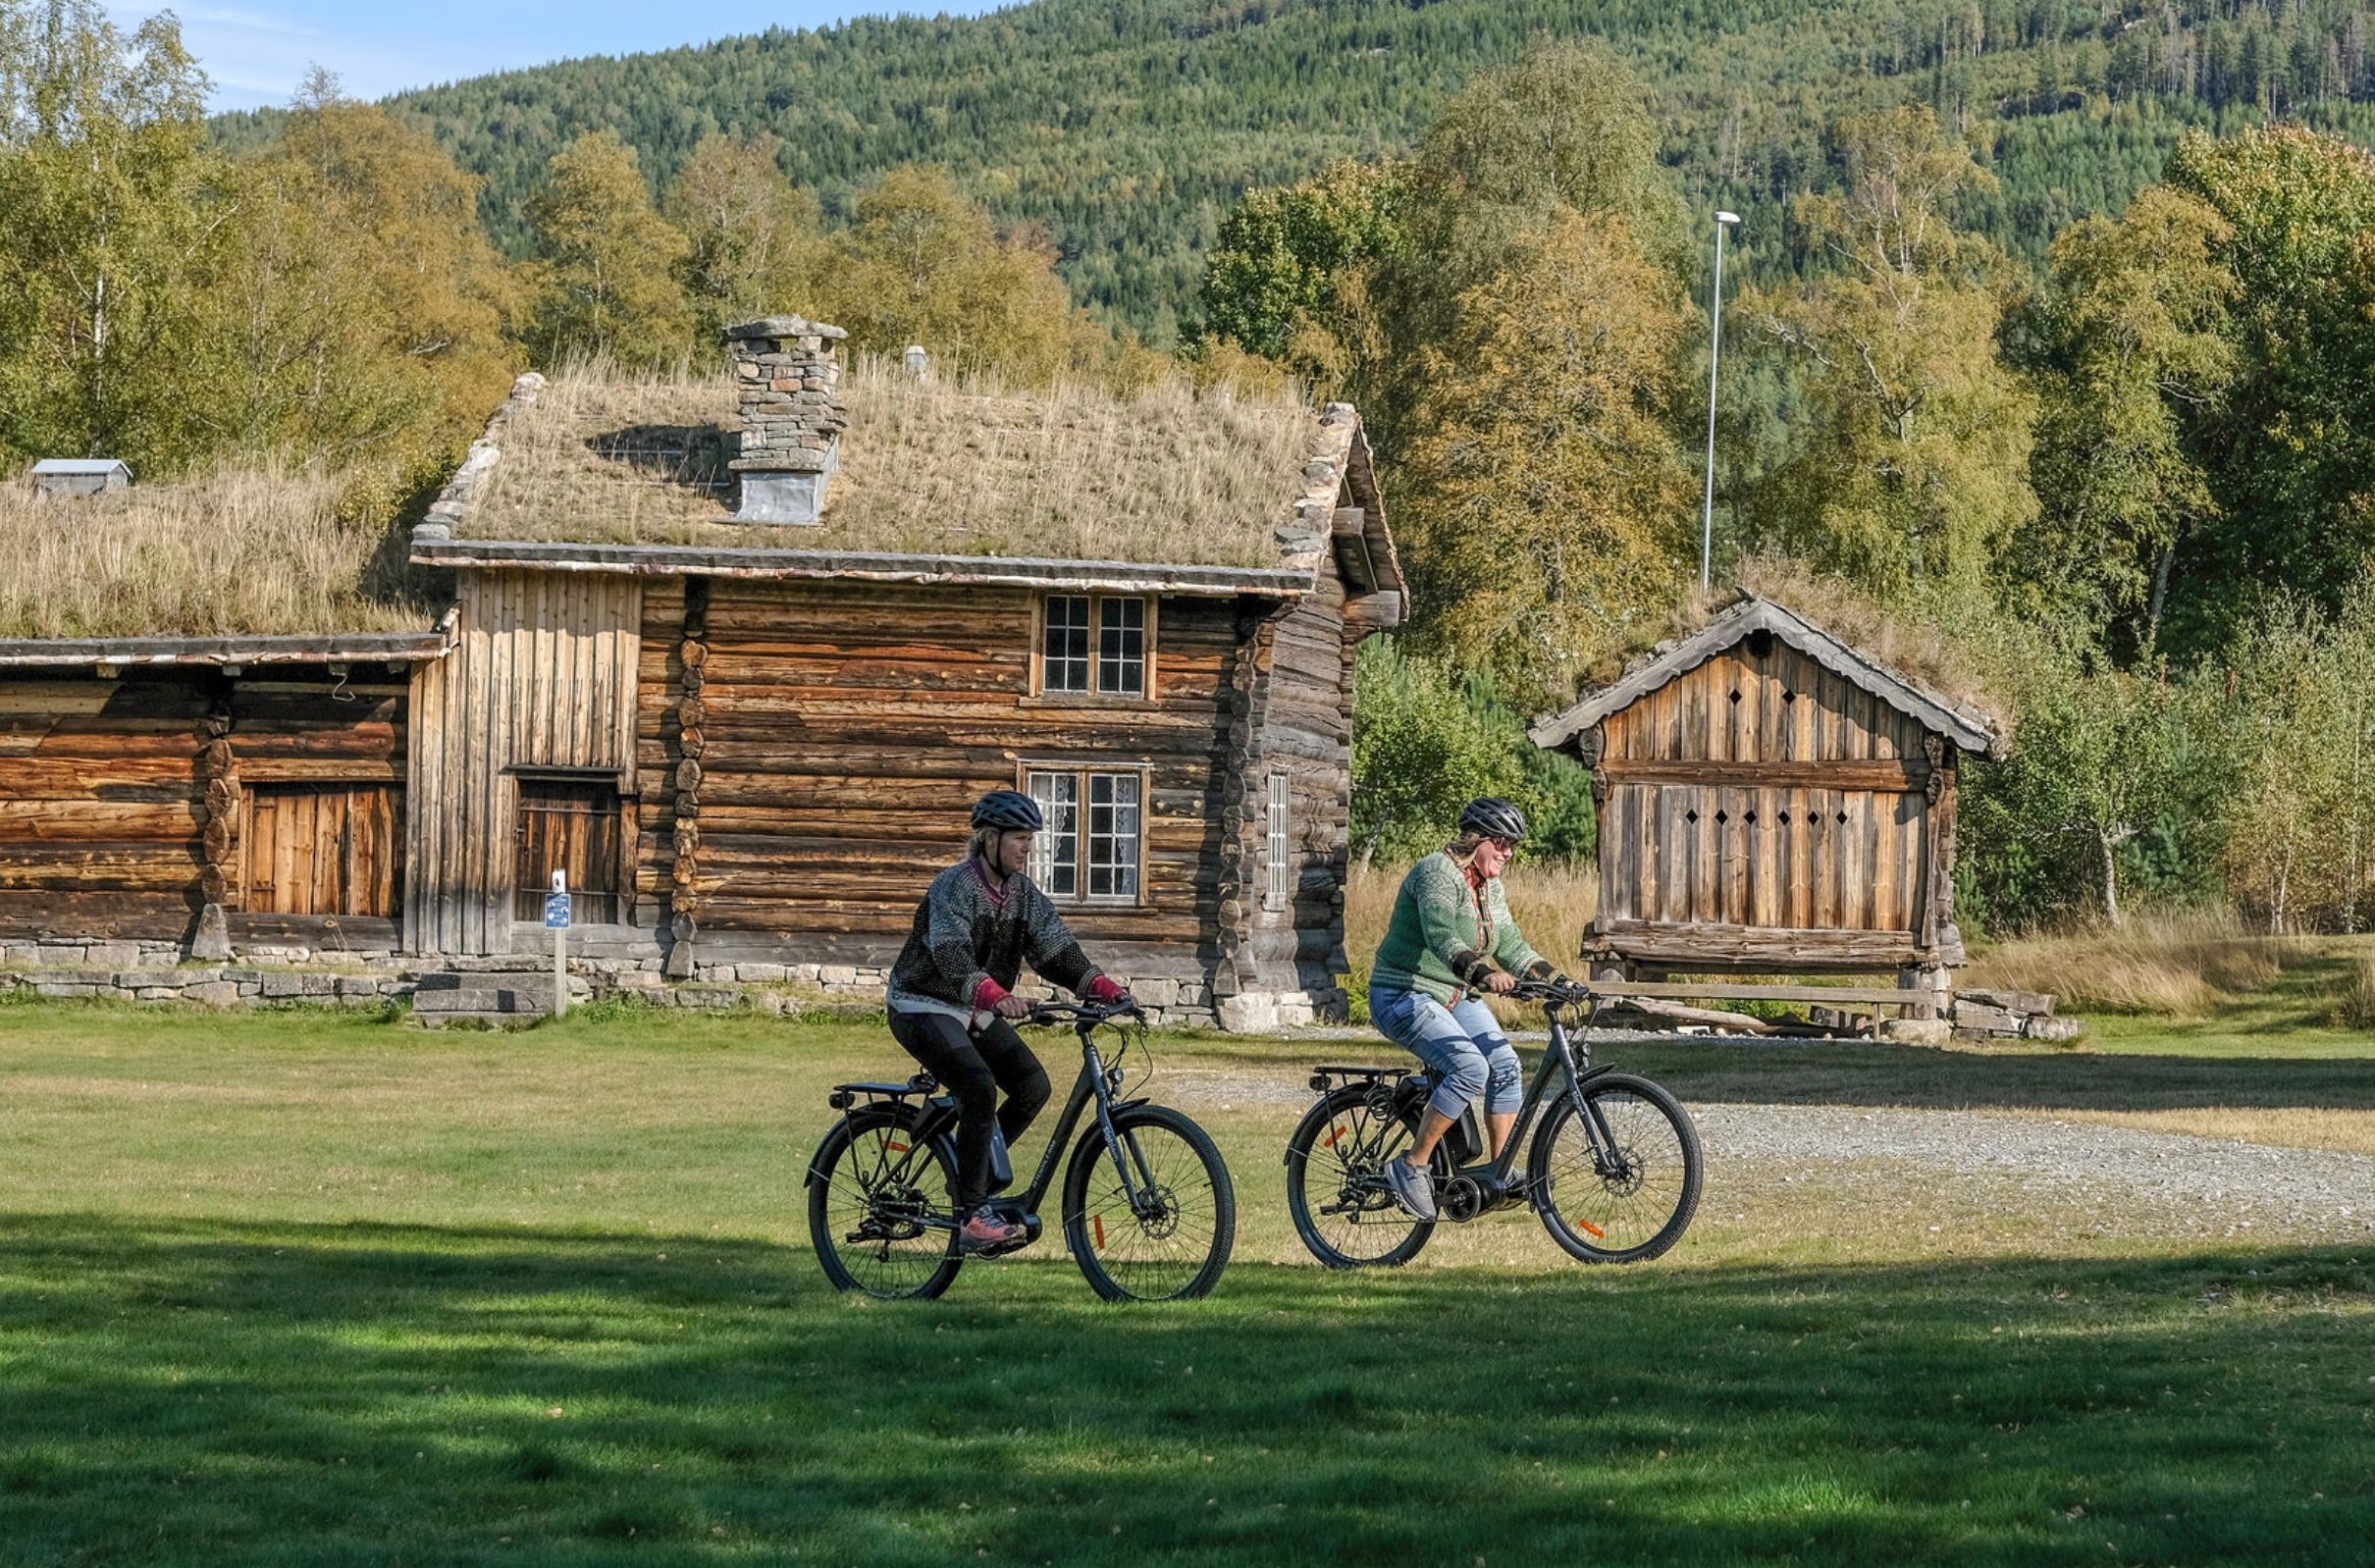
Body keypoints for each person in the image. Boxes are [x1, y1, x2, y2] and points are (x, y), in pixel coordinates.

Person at [884, 789, 1133, 1252]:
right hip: (920, 1003)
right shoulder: (954, 886)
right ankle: (972, 1216)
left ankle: (970, 1180)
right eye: (1020, 838)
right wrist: (997, 997)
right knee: (977, 1086)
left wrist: (1106, 989)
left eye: (1030, 840)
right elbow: (951, 956)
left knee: (1032, 1085)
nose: (1027, 848)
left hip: (974, 1009)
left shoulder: (1021, 895)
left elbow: (1057, 952)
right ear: (990, 839)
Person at [1367, 797, 1560, 1221]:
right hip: (1404, 992)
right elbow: (1441, 937)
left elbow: (1510, 943)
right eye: (1502, 843)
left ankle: (1499, 1172)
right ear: (1477, 839)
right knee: (1471, 1067)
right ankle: (1412, 1164)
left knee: (1506, 1065)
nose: (1508, 853)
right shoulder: (1437, 873)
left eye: (1512, 845)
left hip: (1452, 995)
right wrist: (1483, 974)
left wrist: (1557, 980)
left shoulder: (1489, 886)